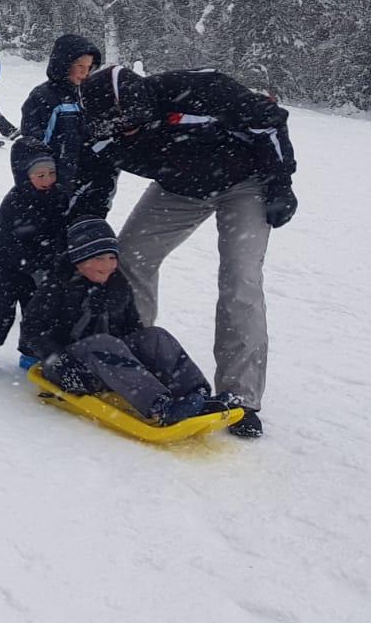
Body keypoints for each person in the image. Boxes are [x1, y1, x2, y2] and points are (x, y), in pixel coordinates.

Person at [75, 64, 298, 438]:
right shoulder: (103, 131)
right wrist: (87, 230)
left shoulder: (198, 89)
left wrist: (280, 186)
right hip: (179, 188)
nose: (124, 131)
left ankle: (240, 396)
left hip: (245, 182)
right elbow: (94, 183)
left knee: (239, 279)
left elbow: (268, 120)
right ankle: (135, 361)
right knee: (128, 258)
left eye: (128, 122)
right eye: (115, 126)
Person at [22, 219, 225, 426]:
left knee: (155, 336)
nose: (108, 266)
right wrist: (59, 362)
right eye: (99, 258)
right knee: (103, 342)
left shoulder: (117, 285)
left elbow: (134, 329)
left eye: (112, 257)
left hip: (115, 365)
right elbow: (32, 331)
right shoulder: (56, 287)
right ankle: (159, 406)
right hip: (71, 369)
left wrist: (144, 356)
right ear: (78, 259)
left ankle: (196, 395)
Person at [0, 142, 67, 375]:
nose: (47, 179)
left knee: (36, 314)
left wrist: (53, 262)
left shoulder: (59, 197)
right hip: (5, 269)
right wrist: (32, 264)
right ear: (24, 176)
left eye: (52, 173)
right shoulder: (15, 201)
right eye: (40, 175)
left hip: (39, 270)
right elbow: (12, 242)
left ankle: (30, 353)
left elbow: (60, 232)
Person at [18, 34, 102, 193]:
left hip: (79, 181)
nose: (85, 72)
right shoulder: (44, 97)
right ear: (64, 64)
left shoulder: (83, 96)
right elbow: (35, 145)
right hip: (51, 183)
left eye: (89, 67)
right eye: (80, 66)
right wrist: (48, 182)